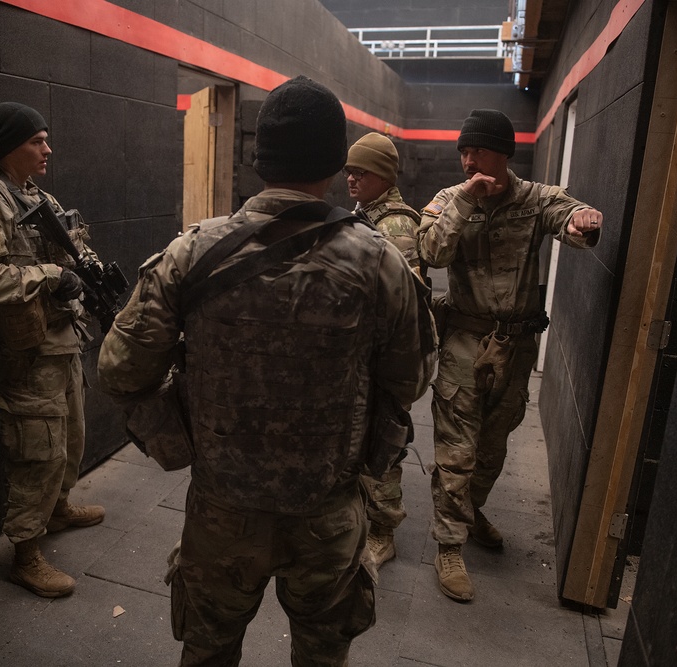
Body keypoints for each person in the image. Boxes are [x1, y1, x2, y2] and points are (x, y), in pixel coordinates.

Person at [98, 76, 431, 666]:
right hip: (328, 511)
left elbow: (121, 370)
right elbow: (411, 379)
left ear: (258, 158)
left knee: (208, 651)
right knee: (322, 655)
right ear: (335, 161)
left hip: (222, 510)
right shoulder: (380, 260)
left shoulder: (194, 252)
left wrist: (178, 439)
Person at [417, 108, 603, 602]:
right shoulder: (447, 199)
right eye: (462, 150)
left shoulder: (534, 199)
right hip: (463, 341)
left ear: (503, 153)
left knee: (494, 447)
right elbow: (431, 253)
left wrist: (584, 221)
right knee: (457, 450)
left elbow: (570, 217)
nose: (467, 159)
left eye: (476, 149)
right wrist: (463, 203)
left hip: (516, 348)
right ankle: (449, 545)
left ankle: (471, 511)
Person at [0, 102, 107, 599]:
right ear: (9, 147)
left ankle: (58, 509)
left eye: (46, 139)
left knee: (72, 438)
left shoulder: (37, 197)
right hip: (28, 350)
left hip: (62, 340)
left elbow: (69, 254)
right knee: (36, 453)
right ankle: (25, 552)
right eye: (37, 141)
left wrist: (85, 270)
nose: (48, 149)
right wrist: (49, 275)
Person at [345, 131, 424, 575]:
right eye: (349, 170)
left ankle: (383, 532)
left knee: (384, 443)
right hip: (367, 354)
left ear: (384, 175)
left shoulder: (394, 224)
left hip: (383, 357)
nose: (351, 177)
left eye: (362, 171)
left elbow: (406, 304)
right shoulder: (367, 214)